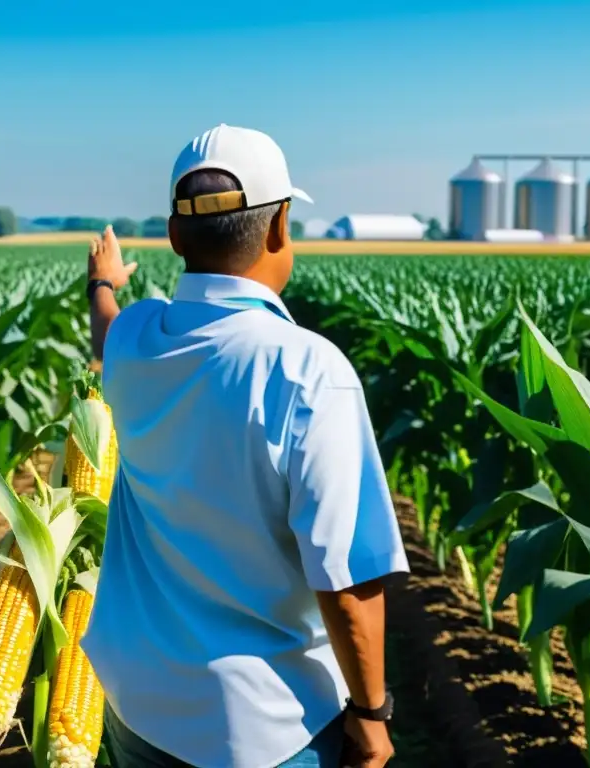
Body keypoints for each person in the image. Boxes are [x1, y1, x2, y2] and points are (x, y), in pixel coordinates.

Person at [79, 124, 410, 768]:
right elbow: (346, 577)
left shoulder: (137, 340)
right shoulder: (310, 370)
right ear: (281, 225)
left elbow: (107, 333)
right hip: (262, 728)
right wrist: (372, 717)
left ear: (176, 238)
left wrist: (104, 283)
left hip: (135, 705)